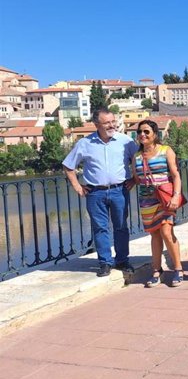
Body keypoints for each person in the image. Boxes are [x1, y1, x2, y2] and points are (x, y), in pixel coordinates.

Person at [63, 108, 138, 278]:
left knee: (121, 227)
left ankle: (122, 260)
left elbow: (138, 161)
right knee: (100, 228)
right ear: (97, 125)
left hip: (120, 190)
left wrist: (134, 179)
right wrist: (77, 186)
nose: (112, 125)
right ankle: (105, 262)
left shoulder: (125, 141)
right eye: (107, 123)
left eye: (113, 121)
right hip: (95, 193)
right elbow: (68, 166)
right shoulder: (85, 143)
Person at [132, 120, 185, 287]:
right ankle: (157, 270)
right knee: (154, 234)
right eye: (140, 132)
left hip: (165, 198)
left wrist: (176, 196)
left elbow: (175, 175)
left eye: (147, 132)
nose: (143, 135)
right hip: (147, 200)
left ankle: (178, 269)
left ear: (155, 134)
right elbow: (136, 178)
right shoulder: (136, 157)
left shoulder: (165, 151)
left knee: (167, 232)